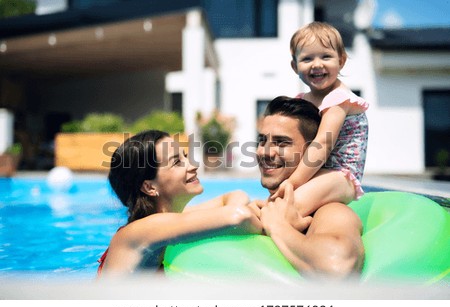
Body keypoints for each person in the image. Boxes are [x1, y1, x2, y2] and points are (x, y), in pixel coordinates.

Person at [97, 130, 261, 277]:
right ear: (149, 187)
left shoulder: (172, 218)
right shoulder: (141, 230)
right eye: (176, 162)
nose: (193, 165)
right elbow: (239, 216)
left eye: (185, 156)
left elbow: (235, 195)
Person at [256, 96, 364, 278]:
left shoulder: (330, 212)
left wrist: (277, 227)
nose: (265, 152)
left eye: (282, 142)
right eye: (262, 140)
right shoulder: (269, 208)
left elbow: (338, 265)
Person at [271, 21, 369, 221]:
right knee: (278, 202)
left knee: (290, 206)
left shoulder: (338, 99)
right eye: (307, 58)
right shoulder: (302, 101)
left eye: (326, 56)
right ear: (294, 66)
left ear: (341, 61)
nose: (317, 64)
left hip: (341, 177)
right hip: (317, 170)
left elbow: (323, 144)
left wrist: (293, 181)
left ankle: (298, 227)